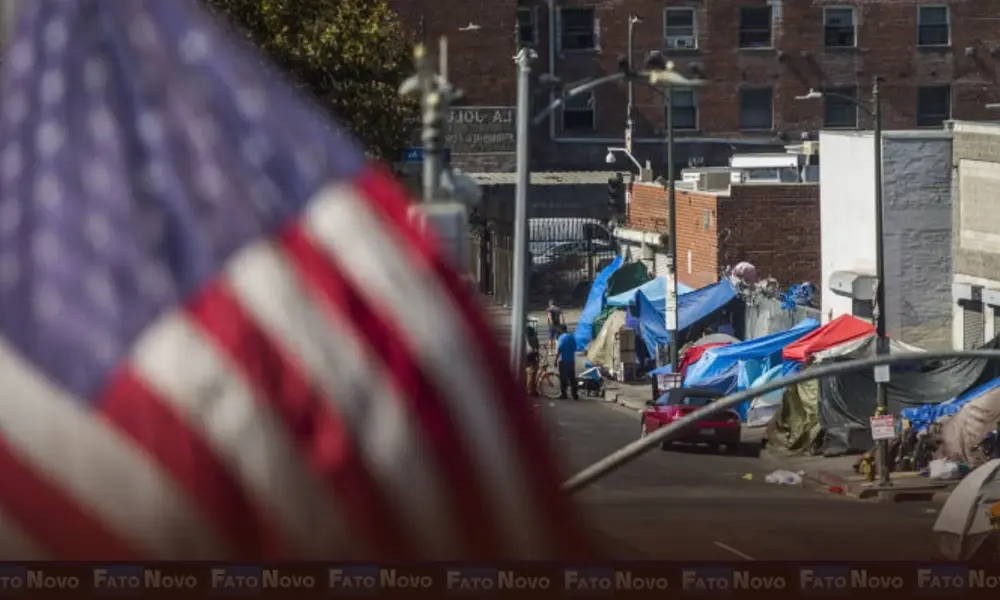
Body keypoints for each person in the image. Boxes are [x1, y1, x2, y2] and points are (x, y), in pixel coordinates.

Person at [556, 324, 578, 400]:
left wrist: (555, 360)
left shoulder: (561, 337)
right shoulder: (571, 337)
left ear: (561, 330)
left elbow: (559, 349)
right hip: (571, 361)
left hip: (563, 361)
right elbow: (575, 348)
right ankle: (575, 395)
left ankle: (564, 394)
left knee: (563, 379)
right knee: (572, 378)